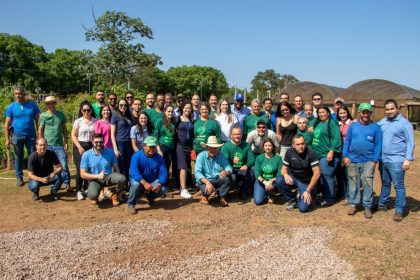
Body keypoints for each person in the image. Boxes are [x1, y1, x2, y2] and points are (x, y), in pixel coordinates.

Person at [377, 99, 415, 222]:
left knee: (398, 185)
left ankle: (399, 209)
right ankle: (382, 204)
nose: (389, 111)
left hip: (397, 159)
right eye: (387, 109)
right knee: (385, 182)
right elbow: (372, 129)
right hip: (384, 159)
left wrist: (408, 159)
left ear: (397, 108)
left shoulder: (404, 123)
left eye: (392, 109)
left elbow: (410, 143)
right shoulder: (382, 122)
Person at [343, 103, 382, 219]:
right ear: (359, 112)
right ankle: (353, 204)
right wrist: (345, 156)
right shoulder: (353, 126)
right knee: (353, 182)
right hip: (352, 160)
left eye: (367, 112)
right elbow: (347, 142)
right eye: (363, 112)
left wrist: (374, 161)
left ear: (371, 113)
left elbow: (378, 145)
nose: (365, 114)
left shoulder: (376, 127)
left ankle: (367, 206)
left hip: (368, 161)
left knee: (367, 183)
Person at [4, 87, 40, 186]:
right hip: (17, 136)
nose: (18, 95)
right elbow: (7, 124)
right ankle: (19, 177)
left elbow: (38, 122)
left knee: (32, 157)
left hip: (31, 136)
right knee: (18, 157)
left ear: (24, 94)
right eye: (16, 94)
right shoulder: (11, 107)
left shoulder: (32, 106)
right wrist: (7, 139)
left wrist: (39, 136)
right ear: (14, 95)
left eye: (20, 93)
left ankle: (33, 176)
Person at [277, 135, 320, 212]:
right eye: (298, 144)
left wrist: (308, 190)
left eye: (302, 143)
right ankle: (292, 200)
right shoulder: (289, 152)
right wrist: (286, 175)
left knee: (304, 209)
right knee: (279, 180)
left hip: (306, 182)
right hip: (294, 178)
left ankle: (303, 193)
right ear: (293, 145)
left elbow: (317, 174)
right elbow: (283, 169)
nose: (301, 146)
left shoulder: (311, 152)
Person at [80, 133, 126, 206]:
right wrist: (97, 176)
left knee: (122, 178)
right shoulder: (86, 155)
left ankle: (115, 195)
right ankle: (96, 195)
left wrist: (116, 184)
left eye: (101, 142)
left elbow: (116, 169)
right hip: (94, 179)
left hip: (108, 177)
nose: (99, 144)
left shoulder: (110, 152)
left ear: (104, 141)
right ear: (92, 142)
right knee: (92, 195)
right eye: (96, 142)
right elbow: (82, 174)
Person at [128, 136, 168, 214]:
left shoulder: (159, 158)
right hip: (139, 181)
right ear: (144, 146)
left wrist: (159, 184)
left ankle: (150, 198)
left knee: (162, 189)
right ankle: (131, 204)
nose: (152, 149)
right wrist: (144, 183)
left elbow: (164, 172)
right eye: (150, 147)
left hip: (151, 182)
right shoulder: (137, 156)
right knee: (135, 184)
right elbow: (133, 172)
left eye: (153, 147)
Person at [38, 96, 70, 192]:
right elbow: (40, 129)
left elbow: (64, 129)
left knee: (63, 164)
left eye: (52, 103)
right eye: (48, 103)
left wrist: (65, 141)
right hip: (47, 145)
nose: (51, 105)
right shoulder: (43, 115)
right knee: (50, 167)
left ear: (55, 103)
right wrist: (41, 141)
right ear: (46, 105)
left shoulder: (60, 115)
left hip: (59, 145)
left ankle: (67, 183)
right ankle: (54, 185)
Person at [311, 104, 342, 206]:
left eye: (323, 112)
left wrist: (331, 151)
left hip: (327, 154)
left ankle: (329, 198)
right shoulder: (318, 123)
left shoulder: (332, 123)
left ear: (328, 113)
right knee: (319, 176)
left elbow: (336, 138)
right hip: (317, 154)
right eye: (319, 113)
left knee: (326, 174)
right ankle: (324, 195)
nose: (321, 114)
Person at [195, 136, 234, 207]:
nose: (213, 150)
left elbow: (228, 166)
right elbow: (197, 173)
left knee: (232, 177)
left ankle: (221, 196)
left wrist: (226, 172)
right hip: (206, 180)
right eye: (211, 148)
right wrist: (207, 183)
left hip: (217, 179)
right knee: (206, 190)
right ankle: (205, 196)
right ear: (207, 147)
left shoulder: (220, 154)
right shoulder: (201, 156)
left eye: (215, 148)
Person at [221, 126, 255, 200]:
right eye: (235, 134)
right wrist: (231, 160)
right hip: (231, 170)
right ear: (231, 135)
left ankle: (242, 190)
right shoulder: (226, 146)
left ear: (242, 135)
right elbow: (224, 161)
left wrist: (246, 165)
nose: (237, 136)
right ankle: (224, 192)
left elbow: (252, 159)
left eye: (239, 134)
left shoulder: (246, 145)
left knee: (254, 169)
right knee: (228, 174)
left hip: (243, 170)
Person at [71, 101, 96, 200]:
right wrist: (79, 147)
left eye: (88, 110)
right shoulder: (78, 121)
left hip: (91, 145)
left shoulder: (95, 121)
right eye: (84, 110)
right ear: (81, 111)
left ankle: (86, 188)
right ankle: (78, 190)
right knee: (80, 169)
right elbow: (73, 135)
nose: (86, 112)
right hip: (79, 145)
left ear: (91, 111)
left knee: (89, 168)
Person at [253, 138, 283, 205]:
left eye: (269, 145)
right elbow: (257, 173)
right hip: (261, 181)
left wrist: (271, 181)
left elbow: (279, 173)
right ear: (263, 147)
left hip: (273, 182)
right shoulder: (259, 158)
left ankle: (272, 194)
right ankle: (265, 193)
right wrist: (264, 182)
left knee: (277, 182)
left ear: (273, 147)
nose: (268, 147)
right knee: (258, 201)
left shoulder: (278, 158)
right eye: (266, 145)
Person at [111, 99, 133, 183]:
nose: (123, 107)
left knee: (128, 164)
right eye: (121, 105)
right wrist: (115, 148)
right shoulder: (115, 116)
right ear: (118, 105)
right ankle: (122, 185)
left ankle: (127, 183)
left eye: (125, 105)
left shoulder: (129, 116)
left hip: (129, 143)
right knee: (121, 165)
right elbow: (112, 133)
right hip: (120, 143)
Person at [175, 102, 194, 199]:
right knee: (183, 167)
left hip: (189, 147)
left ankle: (184, 186)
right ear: (182, 108)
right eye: (186, 108)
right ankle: (183, 189)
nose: (188, 109)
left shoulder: (191, 120)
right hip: (180, 146)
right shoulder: (177, 119)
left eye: (189, 108)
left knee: (187, 167)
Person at [336, 105, 354, 203]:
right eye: (340, 113)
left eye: (344, 113)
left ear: (347, 113)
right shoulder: (336, 124)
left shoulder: (352, 124)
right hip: (338, 152)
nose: (343, 115)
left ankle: (349, 196)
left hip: (348, 152)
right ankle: (341, 192)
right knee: (340, 174)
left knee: (348, 175)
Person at [154, 105, 176, 178]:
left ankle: (165, 182)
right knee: (161, 166)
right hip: (162, 146)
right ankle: (159, 183)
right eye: (168, 111)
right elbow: (156, 135)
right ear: (164, 112)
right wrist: (158, 149)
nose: (170, 113)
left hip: (171, 147)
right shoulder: (160, 121)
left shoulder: (174, 122)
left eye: (172, 111)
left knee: (167, 165)